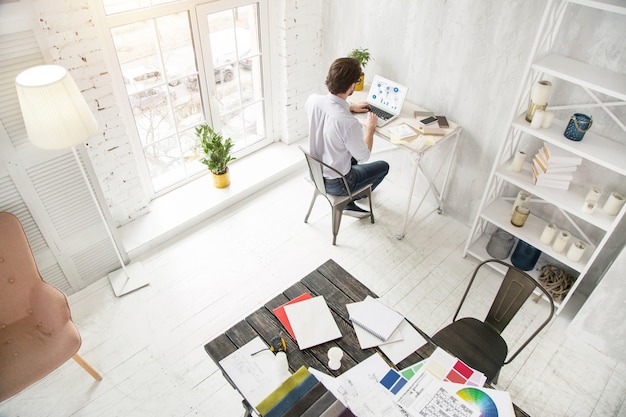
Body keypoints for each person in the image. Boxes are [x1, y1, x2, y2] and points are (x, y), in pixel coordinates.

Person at [305, 57, 389, 216]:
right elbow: (364, 156)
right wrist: (370, 129)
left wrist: (350, 107)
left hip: (316, 172)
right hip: (338, 184)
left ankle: (351, 195)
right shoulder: (348, 123)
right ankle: (351, 198)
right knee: (383, 166)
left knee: (348, 149)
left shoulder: (313, 100)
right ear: (352, 85)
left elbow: (331, 109)